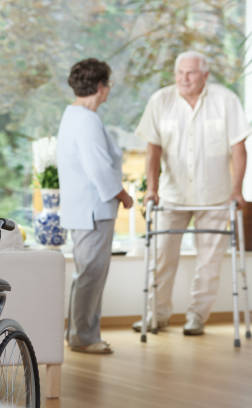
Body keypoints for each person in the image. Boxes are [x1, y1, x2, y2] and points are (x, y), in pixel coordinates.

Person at [133, 51, 249, 335]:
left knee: (209, 263)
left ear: (205, 75)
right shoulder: (161, 101)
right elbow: (153, 149)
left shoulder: (226, 100)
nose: (184, 78)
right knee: (161, 259)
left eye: (191, 73)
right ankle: (155, 315)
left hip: (216, 196)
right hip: (172, 196)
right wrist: (152, 189)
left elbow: (238, 149)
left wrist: (237, 190)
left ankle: (197, 316)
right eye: (180, 72)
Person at [57, 58, 133, 354]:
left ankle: (80, 332)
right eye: (108, 84)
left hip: (85, 208)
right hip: (92, 209)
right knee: (91, 273)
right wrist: (122, 194)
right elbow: (98, 167)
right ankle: (83, 336)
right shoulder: (86, 120)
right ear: (101, 87)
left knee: (88, 273)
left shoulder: (74, 116)